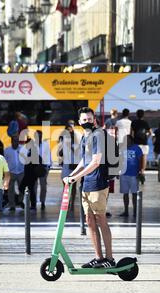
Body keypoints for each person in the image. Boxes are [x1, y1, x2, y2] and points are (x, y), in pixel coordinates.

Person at [64, 107, 115, 269]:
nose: (87, 122)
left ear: (94, 120)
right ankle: (98, 257)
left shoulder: (98, 135)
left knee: (101, 220)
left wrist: (75, 178)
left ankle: (109, 258)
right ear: (79, 122)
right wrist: (71, 174)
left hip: (98, 183)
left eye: (89, 119)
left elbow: (96, 162)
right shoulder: (86, 137)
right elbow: (84, 160)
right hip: (86, 183)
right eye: (84, 120)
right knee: (90, 221)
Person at [58, 120, 82, 213]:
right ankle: (67, 203)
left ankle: (71, 204)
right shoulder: (63, 137)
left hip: (74, 164)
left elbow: (79, 151)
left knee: (73, 184)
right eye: (68, 127)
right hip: (66, 164)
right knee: (65, 185)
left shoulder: (78, 136)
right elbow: (60, 153)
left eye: (71, 126)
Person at [119, 135, 143, 217]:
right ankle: (126, 211)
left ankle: (135, 211)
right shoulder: (122, 148)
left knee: (134, 194)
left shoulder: (137, 148)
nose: (126, 141)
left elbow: (141, 159)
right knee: (125, 194)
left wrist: (141, 171)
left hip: (134, 174)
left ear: (132, 141)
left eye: (128, 140)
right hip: (123, 174)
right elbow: (120, 160)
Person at [4, 136, 25, 211]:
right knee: (10, 190)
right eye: (14, 141)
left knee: (22, 188)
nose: (16, 143)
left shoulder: (23, 149)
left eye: (17, 141)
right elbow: (4, 161)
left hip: (21, 171)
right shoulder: (7, 150)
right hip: (11, 172)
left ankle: (20, 201)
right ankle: (12, 205)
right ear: (11, 141)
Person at [18, 138, 39, 211]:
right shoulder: (31, 150)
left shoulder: (33, 151)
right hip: (29, 174)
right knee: (28, 189)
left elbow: (30, 162)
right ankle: (29, 204)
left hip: (31, 175)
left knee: (24, 188)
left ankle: (31, 205)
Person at [131, 109, 152, 179]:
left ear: (136, 115)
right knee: (144, 157)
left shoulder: (133, 122)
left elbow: (131, 134)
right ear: (143, 115)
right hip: (144, 143)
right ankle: (142, 172)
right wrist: (147, 138)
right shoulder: (145, 123)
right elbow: (150, 133)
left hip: (136, 143)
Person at [34, 130, 52, 211]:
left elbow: (49, 154)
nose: (39, 137)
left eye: (40, 136)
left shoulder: (45, 145)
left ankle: (42, 202)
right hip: (34, 168)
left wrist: (49, 165)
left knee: (43, 186)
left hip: (44, 167)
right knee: (34, 186)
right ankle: (33, 202)